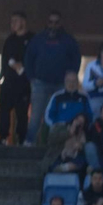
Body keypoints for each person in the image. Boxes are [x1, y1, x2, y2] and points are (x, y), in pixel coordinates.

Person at [24, 11, 81, 142]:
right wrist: (31, 78)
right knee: (35, 116)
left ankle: (59, 144)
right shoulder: (37, 39)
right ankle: (29, 144)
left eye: (56, 22)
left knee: (61, 115)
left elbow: (76, 58)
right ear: (46, 23)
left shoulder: (69, 40)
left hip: (61, 84)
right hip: (40, 84)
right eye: (51, 22)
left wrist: (71, 78)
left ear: (60, 23)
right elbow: (28, 58)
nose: (53, 25)